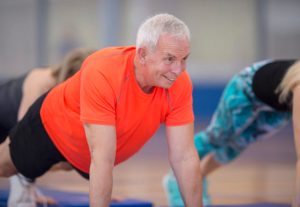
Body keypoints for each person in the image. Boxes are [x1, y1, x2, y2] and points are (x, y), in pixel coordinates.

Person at [0, 13, 203, 207]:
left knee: (66, 164)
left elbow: (184, 157)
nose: (178, 69)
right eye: (169, 59)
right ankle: (25, 177)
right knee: (6, 165)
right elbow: (102, 159)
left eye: (184, 59)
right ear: (142, 54)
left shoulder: (179, 83)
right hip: (51, 126)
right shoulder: (104, 72)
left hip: (84, 154)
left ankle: (31, 176)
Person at [163, 59, 300, 207]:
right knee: (218, 136)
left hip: (278, 106)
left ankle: (199, 176)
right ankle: (176, 179)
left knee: (238, 144)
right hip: (247, 88)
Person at [0, 48, 96, 207]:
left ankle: (26, 189)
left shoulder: (64, 95)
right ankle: (23, 193)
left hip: (8, 127)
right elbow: (23, 141)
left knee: (67, 161)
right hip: (4, 122)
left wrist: (100, 194)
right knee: (24, 151)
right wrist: (25, 192)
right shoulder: (39, 80)